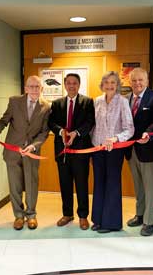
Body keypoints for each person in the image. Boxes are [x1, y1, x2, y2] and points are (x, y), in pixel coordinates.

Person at [0, 76, 50, 231]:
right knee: (14, 184)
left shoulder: (47, 107)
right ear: (26, 88)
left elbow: (44, 132)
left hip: (31, 153)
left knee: (31, 184)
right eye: (32, 86)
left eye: (38, 86)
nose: (35, 89)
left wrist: (34, 146)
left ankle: (31, 215)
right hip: (12, 151)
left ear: (42, 89)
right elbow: (3, 120)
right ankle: (18, 216)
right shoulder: (15, 102)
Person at [48, 73, 95, 230]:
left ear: (79, 85)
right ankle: (67, 214)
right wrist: (61, 131)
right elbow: (51, 123)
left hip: (81, 151)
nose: (72, 85)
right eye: (68, 83)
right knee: (65, 184)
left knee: (82, 184)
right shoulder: (56, 104)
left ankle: (83, 216)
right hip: (62, 151)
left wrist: (77, 133)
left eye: (75, 83)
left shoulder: (87, 102)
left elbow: (90, 122)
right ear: (65, 85)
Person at [91, 71, 134, 233]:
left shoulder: (122, 102)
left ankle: (111, 223)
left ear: (117, 86)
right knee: (99, 184)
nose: (109, 85)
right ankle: (98, 219)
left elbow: (129, 129)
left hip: (114, 150)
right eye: (107, 82)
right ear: (102, 85)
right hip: (98, 149)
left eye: (113, 83)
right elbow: (93, 126)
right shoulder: (97, 101)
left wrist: (116, 138)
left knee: (112, 185)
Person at [124, 67, 153, 236]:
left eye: (140, 79)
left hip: (151, 151)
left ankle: (149, 222)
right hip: (131, 150)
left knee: (150, 188)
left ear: (147, 81)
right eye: (134, 80)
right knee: (138, 186)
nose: (137, 83)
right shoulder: (125, 99)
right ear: (129, 82)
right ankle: (140, 215)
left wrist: (149, 134)